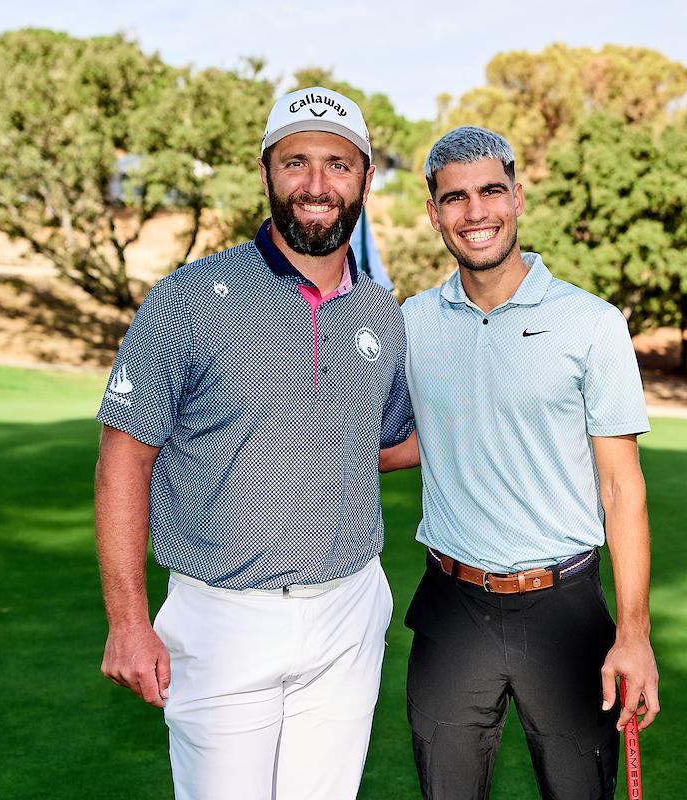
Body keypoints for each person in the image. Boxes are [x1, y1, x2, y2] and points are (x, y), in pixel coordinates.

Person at [93, 86, 413, 800]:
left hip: (348, 612)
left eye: (338, 164)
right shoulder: (188, 298)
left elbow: (385, 442)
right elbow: (124, 459)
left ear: (364, 178)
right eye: (295, 162)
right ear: (266, 173)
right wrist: (127, 621)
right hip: (221, 617)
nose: (317, 185)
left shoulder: (383, 315)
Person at [385, 126, 659, 799]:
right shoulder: (412, 322)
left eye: (490, 191)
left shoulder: (592, 323)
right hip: (452, 608)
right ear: (433, 212)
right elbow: (415, 439)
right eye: (454, 198)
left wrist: (634, 634)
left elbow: (622, 490)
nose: (475, 212)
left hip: (563, 609)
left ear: (518, 196)